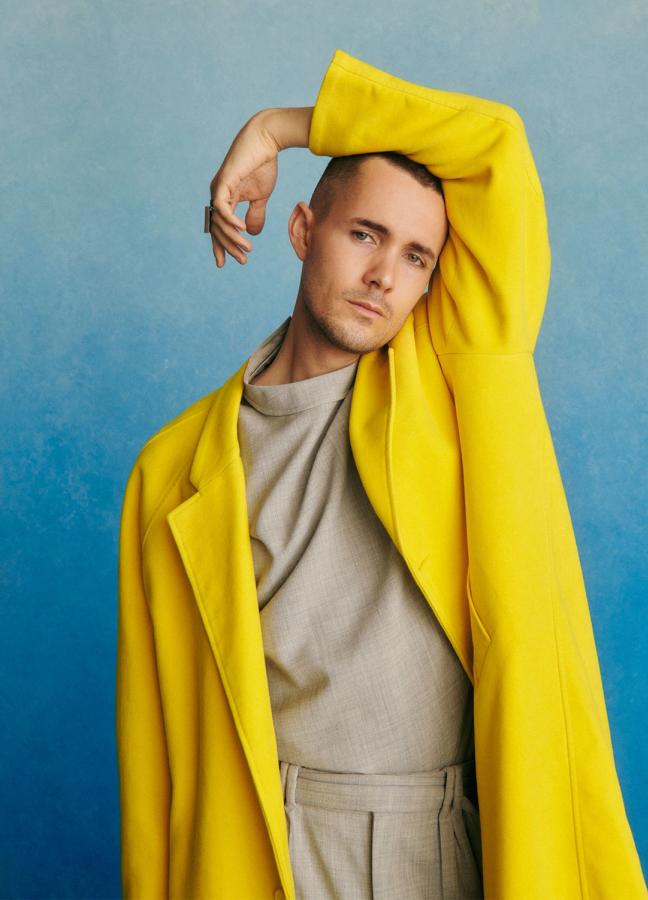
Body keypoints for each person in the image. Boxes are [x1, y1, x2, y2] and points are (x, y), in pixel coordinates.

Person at [116, 49, 647, 900]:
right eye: (365, 234)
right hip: (269, 846)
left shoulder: (450, 374)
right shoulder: (171, 470)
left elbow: (496, 144)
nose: (383, 278)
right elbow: (153, 753)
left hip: (443, 837)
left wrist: (277, 127)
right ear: (302, 230)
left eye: (416, 258)